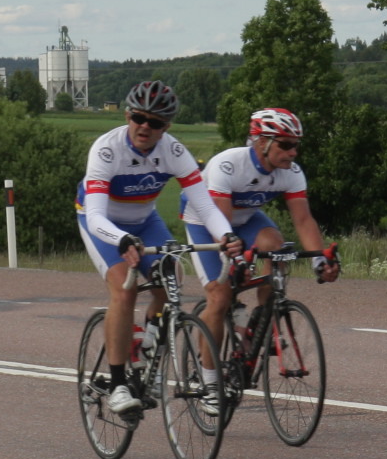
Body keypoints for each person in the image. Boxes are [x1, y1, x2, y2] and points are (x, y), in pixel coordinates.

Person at [78, 80, 241, 417]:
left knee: (172, 276)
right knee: (125, 289)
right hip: (104, 224)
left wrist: (226, 236)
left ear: (166, 127)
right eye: (138, 118)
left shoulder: (174, 152)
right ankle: (119, 384)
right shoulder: (107, 150)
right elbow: (95, 215)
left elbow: (205, 206)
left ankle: (150, 348)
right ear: (128, 115)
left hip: (145, 220)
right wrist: (121, 240)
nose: (144, 127)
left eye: (155, 123)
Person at [183, 107, 340, 349]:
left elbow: (303, 220)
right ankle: (208, 371)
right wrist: (237, 263)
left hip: (246, 217)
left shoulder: (292, 172)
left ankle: (263, 323)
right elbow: (220, 222)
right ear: (263, 142)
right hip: (206, 222)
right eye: (285, 145)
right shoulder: (228, 164)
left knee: (276, 247)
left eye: (296, 145)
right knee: (220, 297)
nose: (293, 152)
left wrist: (320, 261)